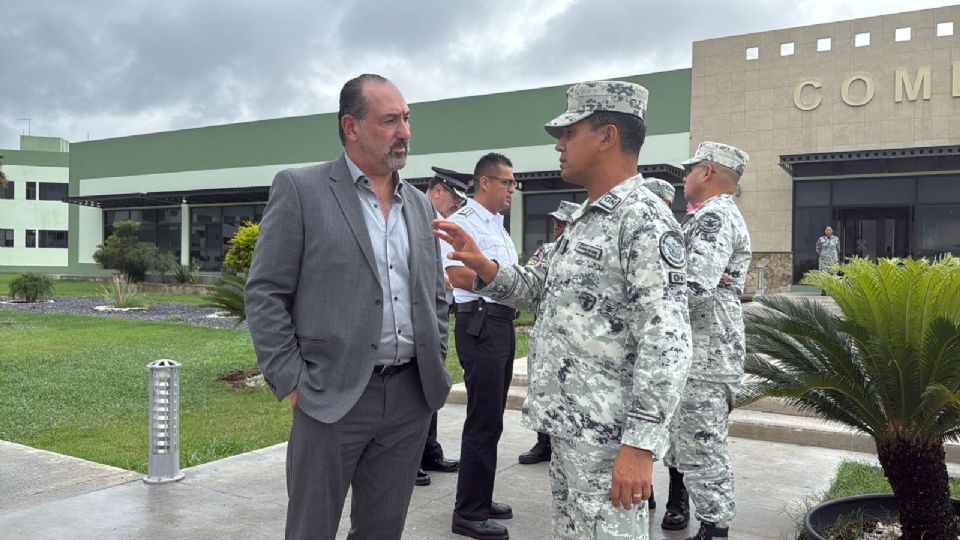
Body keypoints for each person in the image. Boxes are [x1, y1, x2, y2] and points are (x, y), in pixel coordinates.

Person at [434, 80, 692, 540]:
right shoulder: (584, 220)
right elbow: (538, 288)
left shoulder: (643, 221)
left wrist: (640, 444)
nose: (559, 144)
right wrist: (486, 268)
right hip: (571, 429)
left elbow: (667, 343)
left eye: (570, 132)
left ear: (607, 136)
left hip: (611, 439)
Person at [244, 73, 451, 540]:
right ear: (351, 127)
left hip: (408, 399)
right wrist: (292, 379)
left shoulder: (420, 205)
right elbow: (265, 292)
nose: (405, 132)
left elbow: (434, 294)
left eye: (407, 119)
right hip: (330, 395)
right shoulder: (301, 189)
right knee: (311, 530)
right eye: (390, 120)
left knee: (383, 531)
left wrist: (435, 353)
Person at [662, 142, 751, 540]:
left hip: (707, 355)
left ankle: (715, 530)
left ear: (708, 172)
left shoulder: (714, 220)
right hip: (698, 352)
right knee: (687, 445)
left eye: (690, 169)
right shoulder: (704, 218)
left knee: (702, 447)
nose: (684, 177)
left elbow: (694, 285)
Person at [443, 152, 519, 540]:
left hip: (501, 324)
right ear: (485, 183)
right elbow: (454, 273)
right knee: (482, 418)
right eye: (506, 182)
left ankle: (480, 496)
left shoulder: (499, 229)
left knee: (492, 418)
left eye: (513, 183)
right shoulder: (460, 223)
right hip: (480, 323)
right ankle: (468, 512)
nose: (512, 189)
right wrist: (495, 282)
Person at [415, 166, 471, 487]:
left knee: (433, 381)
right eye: (454, 197)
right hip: (416, 316)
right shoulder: (413, 217)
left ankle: (428, 450)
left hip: (437, 313)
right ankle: (410, 457)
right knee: (414, 388)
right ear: (437, 191)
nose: (457, 205)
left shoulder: (439, 222)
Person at [517, 199, 579, 466]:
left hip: (572, 335)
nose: (556, 227)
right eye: (555, 222)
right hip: (545, 332)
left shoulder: (582, 251)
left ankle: (564, 443)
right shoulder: (546, 252)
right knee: (541, 386)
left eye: (562, 222)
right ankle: (543, 442)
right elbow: (531, 280)